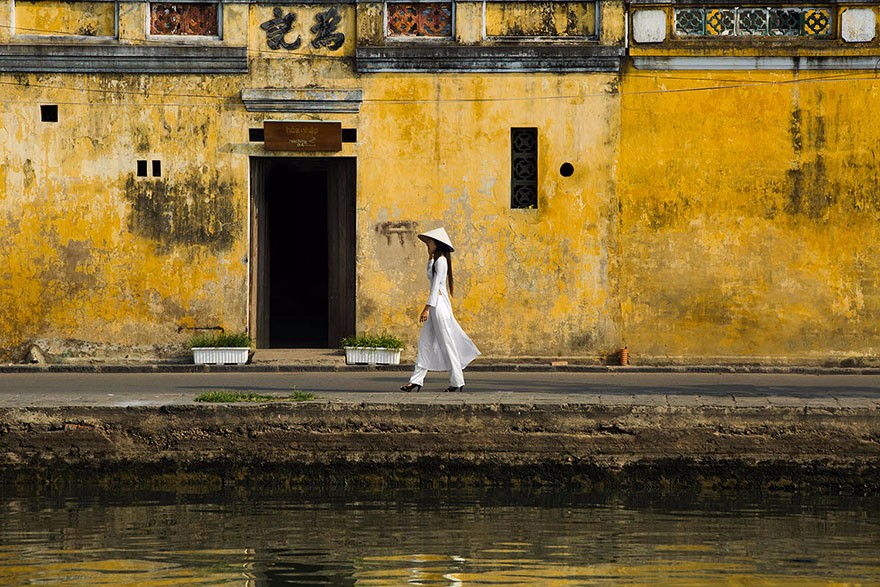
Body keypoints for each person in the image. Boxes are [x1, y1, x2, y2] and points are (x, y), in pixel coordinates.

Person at [401, 227, 480, 393]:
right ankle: (416, 380)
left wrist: (426, 308)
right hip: (435, 308)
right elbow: (431, 277)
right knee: (425, 343)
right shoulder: (437, 261)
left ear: (437, 244)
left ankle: (457, 381)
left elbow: (436, 286)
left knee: (447, 344)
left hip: (439, 308)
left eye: (429, 243)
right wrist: (430, 258)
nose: (427, 246)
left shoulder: (442, 261)